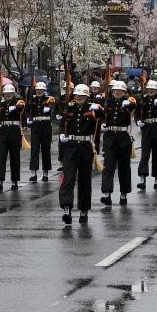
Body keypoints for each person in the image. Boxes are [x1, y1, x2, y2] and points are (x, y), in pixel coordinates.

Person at [59, 84, 100, 225]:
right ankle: (66, 208)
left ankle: (83, 210)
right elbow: (62, 122)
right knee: (68, 178)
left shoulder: (92, 109)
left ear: (87, 97)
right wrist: (62, 135)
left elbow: (102, 116)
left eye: (82, 96)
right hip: (71, 147)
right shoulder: (69, 107)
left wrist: (98, 109)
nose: (78, 98)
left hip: (85, 147)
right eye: (77, 95)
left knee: (84, 180)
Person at [99, 79, 136, 206]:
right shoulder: (107, 102)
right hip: (110, 137)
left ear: (124, 92)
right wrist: (103, 123)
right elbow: (102, 114)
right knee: (108, 166)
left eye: (120, 91)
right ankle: (106, 193)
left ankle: (123, 194)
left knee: (124, 167)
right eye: (115, 90)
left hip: (123, 138)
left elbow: (135, 105)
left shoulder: (128, 102)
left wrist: (128, 103)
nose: (117, 92)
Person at [136, 79, 157, 191]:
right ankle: (142, 178)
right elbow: (137, 113)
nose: (151, 91)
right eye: (149, 89)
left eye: (153, 89)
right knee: (144, 154)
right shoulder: (143, 99)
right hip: (147, 129)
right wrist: (138, 121)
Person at [0, 84, 25, 191]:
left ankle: (14, 181)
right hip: (3, 131)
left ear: (13, 93)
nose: (7, 95)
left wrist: (16, 107)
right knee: (1, 157)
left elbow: (21, 107)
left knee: (14, 157)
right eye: (6, 93)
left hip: (14, 131)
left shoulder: (18, 101)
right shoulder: (1, 102)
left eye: (9, 93)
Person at [25, 82, 54, 182]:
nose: (39, 91)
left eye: (41, 90)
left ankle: (45, 173)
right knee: (35, 149)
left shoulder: (49, 99)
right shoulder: (32, 99)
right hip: (36, 126)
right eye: (37, 89)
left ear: (44, 90)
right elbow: (28, 110)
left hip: (45, 125)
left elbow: (53, 107)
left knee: (46, 149)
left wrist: (49, 108)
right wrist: (29, 118)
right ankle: (34, 173)